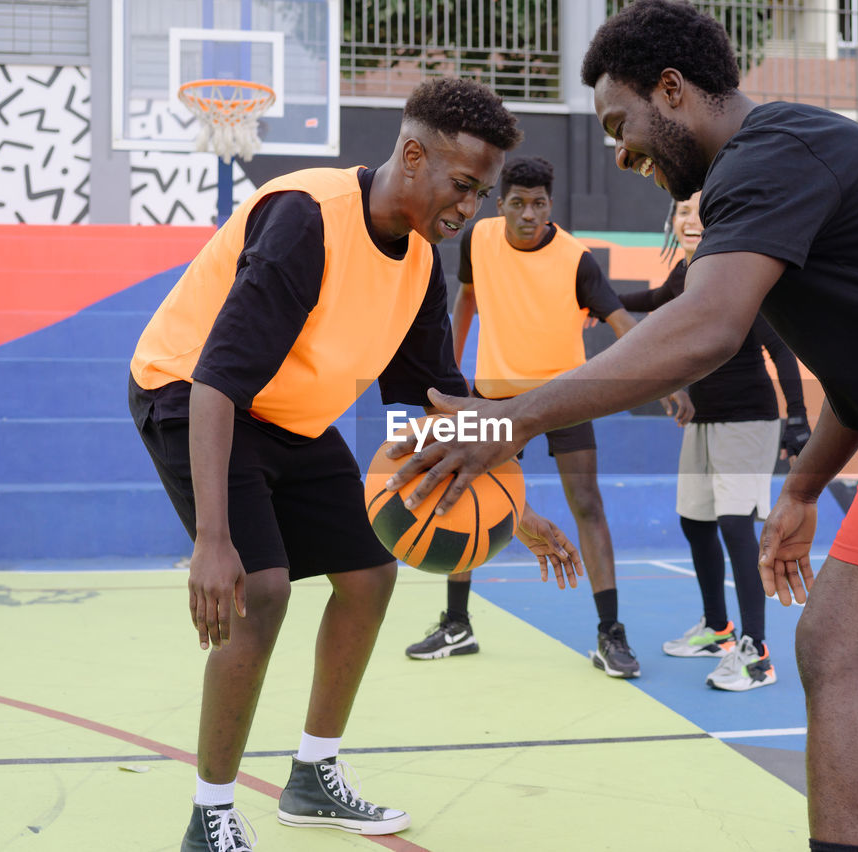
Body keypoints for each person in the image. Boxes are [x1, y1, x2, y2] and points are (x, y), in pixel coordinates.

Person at [381, 3, 858, 851]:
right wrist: (800, 489)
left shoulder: (766, 158)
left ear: (673, 91)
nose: (620, 151)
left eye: (623, 124)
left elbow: (707, 329)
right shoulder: (773, 173)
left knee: (836, 640)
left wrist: (513, 418)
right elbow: (856, 371)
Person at [127, 78, 583, 852]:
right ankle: (210, 817)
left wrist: (512, 508)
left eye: (481, 194)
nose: (471, 209)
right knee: (260, 588)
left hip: (290, 418)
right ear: (413, 155)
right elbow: (216, 382)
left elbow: (429, 410)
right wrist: (212, 541)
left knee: (372, 568)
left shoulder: (419, 269)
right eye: (463, 186)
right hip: (190, 394)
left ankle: (313, 776)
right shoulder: (306, 218)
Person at [405, 155, 655, 678]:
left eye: (538, 203)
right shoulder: (479, 240)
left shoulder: (576, 259)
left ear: (550, 205)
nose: (528, 213)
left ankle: (610, 633)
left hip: (565, 397)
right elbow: (467, 299)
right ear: (501, 205)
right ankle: (457, 623)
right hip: (495, 399)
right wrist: (452, 371)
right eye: (517, 202)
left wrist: (661, 377)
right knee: (467, 495)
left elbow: (620, 320)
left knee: (587, 503)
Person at [620, 190, 808, 691]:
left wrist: (798, 419)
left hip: (748, 419)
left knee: (733, 524)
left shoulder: (734, 274)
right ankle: (718, 629)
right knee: (695, 521)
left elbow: (781, 351)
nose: (690, 219)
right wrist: (594, 298)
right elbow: (652, 302)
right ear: (673, 223)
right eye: (682, 211)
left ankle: (757, 652)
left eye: (701, 212)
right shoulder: (686, 276)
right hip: (704, 420)